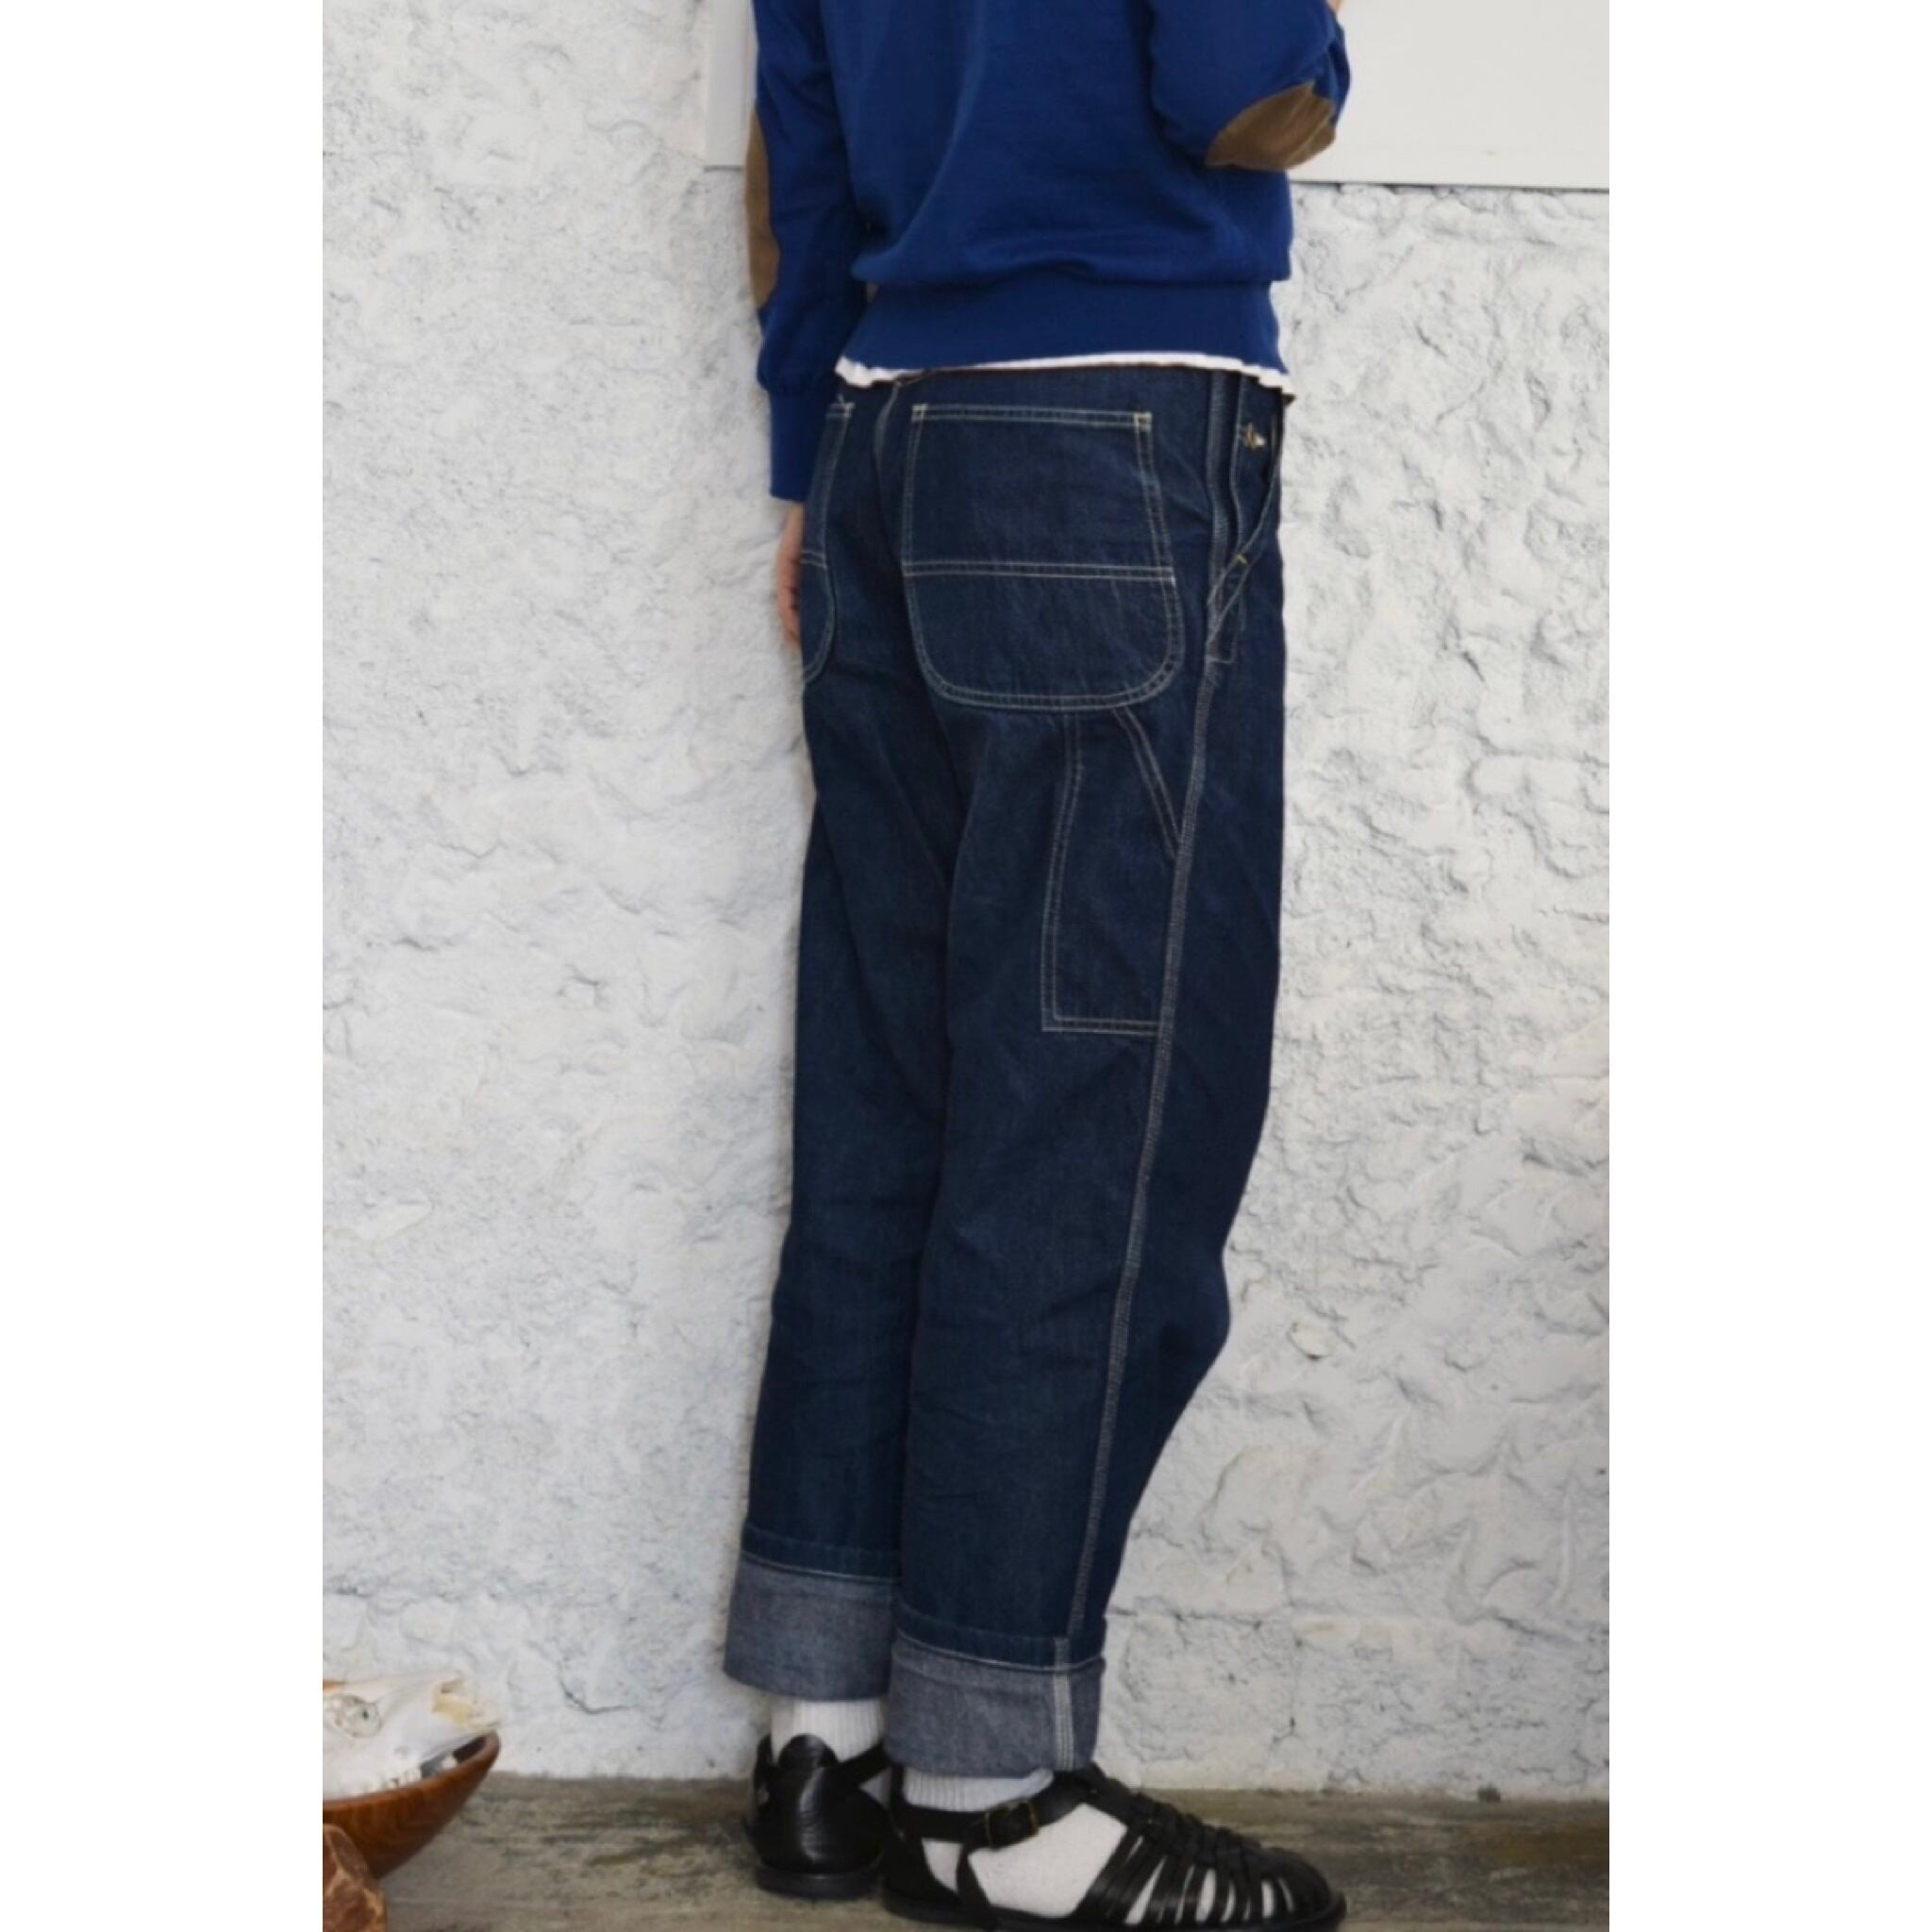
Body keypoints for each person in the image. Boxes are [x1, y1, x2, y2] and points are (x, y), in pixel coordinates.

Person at [725, 4, 1352, 1925]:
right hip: (1109, 440)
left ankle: (824, 1732)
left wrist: (807, 471)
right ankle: (992, 1796)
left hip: (884, 444)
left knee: (891, 1110)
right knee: (1094, 1127)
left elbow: (802, 153)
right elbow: (1246, 86)